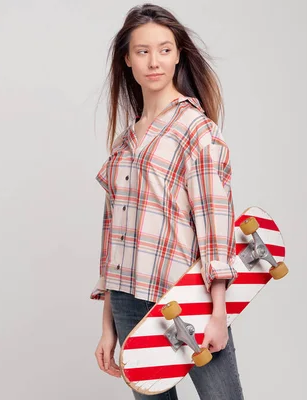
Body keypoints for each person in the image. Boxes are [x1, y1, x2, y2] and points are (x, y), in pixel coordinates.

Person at [90, 4, 244, 399]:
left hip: (184, 297)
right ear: (127, 59)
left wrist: (219, 311)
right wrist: (108, 326)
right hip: (126, 301)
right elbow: (114, 237)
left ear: (177, 55)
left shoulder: (197, 130)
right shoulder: (125, 143)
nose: (154, 61)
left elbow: (215, 224)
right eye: (142, 51)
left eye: (164, 50)